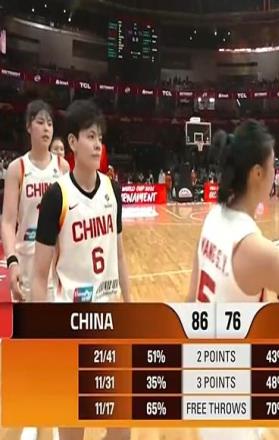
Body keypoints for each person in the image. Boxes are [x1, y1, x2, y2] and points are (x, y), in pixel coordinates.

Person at [187, 120, 279, 440]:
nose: (275, 174)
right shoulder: (253, 247)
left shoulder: (212, 218)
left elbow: (191, 301)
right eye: (273, 166)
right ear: (257, 173)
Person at [31, 99, 130, 440]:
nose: (98, 144)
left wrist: (130, 304)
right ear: (72, 142)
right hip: (70, 321)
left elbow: (119, 253)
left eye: (100, 137)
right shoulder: (56, 197)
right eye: (90, 136)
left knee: (121, 428)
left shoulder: (112, 190)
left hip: (110, 320)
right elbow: (39, 274)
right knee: (73, 429)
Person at [1, 100, 69, 303]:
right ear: (29, 126)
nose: (46, 128)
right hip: (26, 262)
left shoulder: (63, 167)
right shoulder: (17, 168)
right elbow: (7, 221)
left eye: (50, 123)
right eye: (40, 122)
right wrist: (12, 261)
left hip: (56, 265)